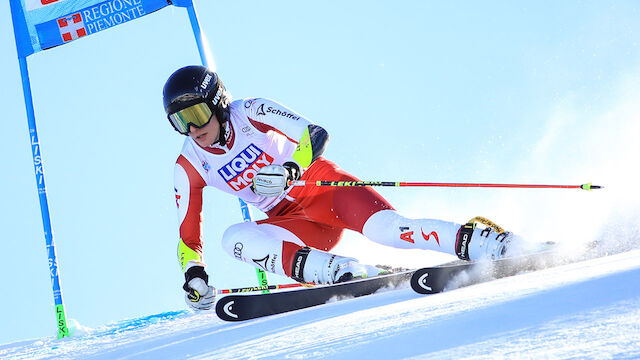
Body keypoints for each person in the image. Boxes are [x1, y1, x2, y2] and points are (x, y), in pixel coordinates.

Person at [163, 65, 517, 310]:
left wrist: (291, 168)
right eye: (180, 122)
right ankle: (339, 272)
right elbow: (188, 234)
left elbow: (315, 134)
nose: (192, 129)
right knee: (233, 239)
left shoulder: (251, 110)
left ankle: (488, 243)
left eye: (196, 115)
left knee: (388, 230)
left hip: (321, 188)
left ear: (218, 103)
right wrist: (194, 275)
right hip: (294, 222)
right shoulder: (190, 163)